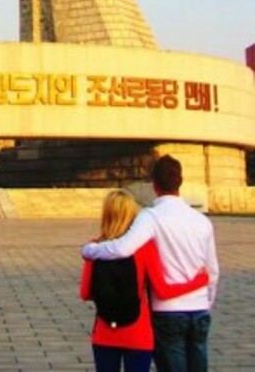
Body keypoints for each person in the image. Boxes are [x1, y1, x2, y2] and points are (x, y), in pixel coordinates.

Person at [82, 156, 219, 372]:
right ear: (180, 182)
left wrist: (91, 250)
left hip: (166, 313)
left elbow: (122, 249)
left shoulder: (150, 217)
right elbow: (213, 270)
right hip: (198, 310)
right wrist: (205, 296)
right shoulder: (202, 221)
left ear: (154, 185)